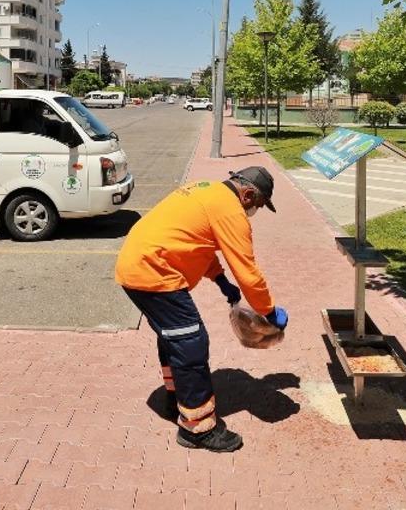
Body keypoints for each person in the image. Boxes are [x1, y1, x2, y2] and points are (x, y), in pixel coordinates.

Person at [114, 165, 288, 453]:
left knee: (173, 338)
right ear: (246, 194)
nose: (252, 212)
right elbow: (248, 273)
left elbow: (194, 243)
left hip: (136, 266)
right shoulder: (231, 211)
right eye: (255, 205)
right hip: (154, 273)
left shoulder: (206, 190)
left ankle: (178, 396)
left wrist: (220, 280)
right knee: (191, 343)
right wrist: (269, 312)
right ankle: (198, 429)